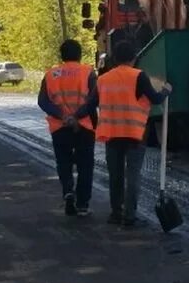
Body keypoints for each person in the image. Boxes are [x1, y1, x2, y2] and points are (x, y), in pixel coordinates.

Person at [91, 40, 171, 228]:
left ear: (115, 58)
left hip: (112, 135)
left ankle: (115, 214)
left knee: (115, 176)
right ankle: (130, 216)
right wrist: (167, 90)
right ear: (134, 58)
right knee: (133, 175)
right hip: (135, 135)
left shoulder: (103, 79)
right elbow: (155, 98)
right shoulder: (139, 76)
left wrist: (76, 118)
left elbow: (91, 103)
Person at [38, 39, 98, 217]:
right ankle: (83, 204)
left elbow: (43, 101)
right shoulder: (88, 73)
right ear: (79, 55)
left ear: (62, 55)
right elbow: (94, 100)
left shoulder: (51, 74)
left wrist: (62, 116)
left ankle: (68, 191)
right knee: (85, 165)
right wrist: (76, 116)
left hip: (60, 127)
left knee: (63, 162)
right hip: (84, 126)